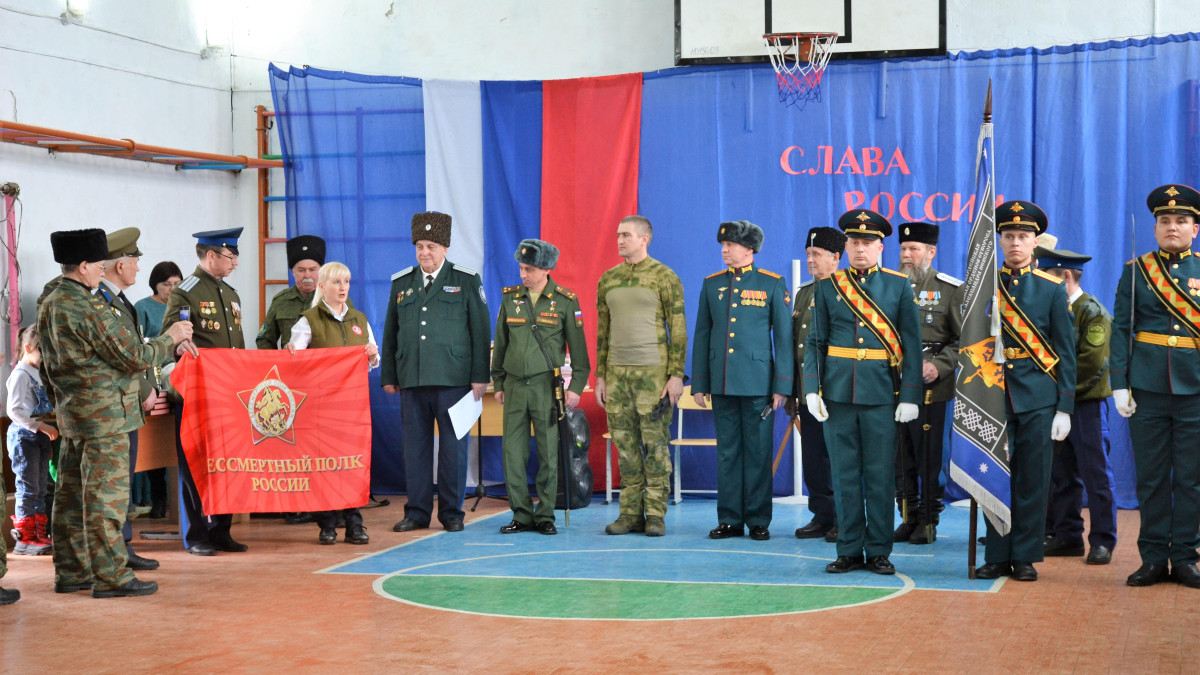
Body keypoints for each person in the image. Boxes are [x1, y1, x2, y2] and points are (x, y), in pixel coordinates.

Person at [38, 228, 193, 598]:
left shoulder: (50, 301)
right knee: (105, 499)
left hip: (73, 414)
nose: (101, 270)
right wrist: (170, 337)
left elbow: (46, 366)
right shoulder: (87, 306)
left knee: (71, 497)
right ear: (84, 266)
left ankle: (72, 571)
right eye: (98, 265)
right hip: (105, 418)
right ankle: (112, 576)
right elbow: (134, 356)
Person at [803, 210, 922, 575]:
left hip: (881, 394)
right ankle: (849, 549)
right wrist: (811, 389)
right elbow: (816, 342)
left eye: (868, 243)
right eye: (854, 242)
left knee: (881, 476)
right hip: (838, 394)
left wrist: (910, 395)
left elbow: (912, 345)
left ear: (880, 247)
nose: (860, 249)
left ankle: (879, 550)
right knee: (843, 475)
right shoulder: (829, 287)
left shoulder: (897, 285)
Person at [973, 200, 1076, 583]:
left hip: (1037, 398)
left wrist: (1064, 406)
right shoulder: (983, 286)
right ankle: (997, 555)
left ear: (1035, 242)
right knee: (993, 477)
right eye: (1009, 236)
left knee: (1032, 481)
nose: (1015, 242)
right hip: (993, 395)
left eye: (1023, 236)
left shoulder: (1051, 288)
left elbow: (1066, 352)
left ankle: (1025, 556)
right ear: (1000, 240)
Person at [1112, 184, 1200, 588]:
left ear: (1195, 229)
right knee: (1151, 478)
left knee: (1190, 479)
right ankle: (1152, 558)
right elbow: (1121, 330)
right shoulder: (1137, 271)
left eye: (1181, 220)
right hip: (1146, 388)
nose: (1172, 227)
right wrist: (1119, 383)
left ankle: (1184, 557)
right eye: (1165, 220)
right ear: (1155, 228)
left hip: (1195, 389)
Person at [381, 212, 490, 533]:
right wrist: (390, 375)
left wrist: (480, 375)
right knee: (414, 450)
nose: (424, 252)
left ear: (445, 248)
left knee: (453, 451)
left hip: (454, 380)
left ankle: (452, 513)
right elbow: (391, 332)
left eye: (431, 246)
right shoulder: (402, 283)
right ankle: (416, 513)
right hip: (412, 379)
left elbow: (480, 330)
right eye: (419, 246)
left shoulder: (466, 280)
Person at [692, 220, 792, 541]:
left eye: (730, 245)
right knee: (728, 454)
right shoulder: (711, 284)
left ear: (749, 250)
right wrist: (700, 383)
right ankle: (730, 519)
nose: (724, 250)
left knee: (759, 454)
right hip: (722, 383)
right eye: (723, 245)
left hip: (758, 384)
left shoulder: (772, 284)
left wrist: (782, 386)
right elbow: (702, 334)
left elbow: (784, 340)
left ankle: (758, 519)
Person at [162, 227, 251, 556]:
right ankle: (196, 533)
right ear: (211, 255)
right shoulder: (186, 292)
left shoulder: (231, 294)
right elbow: (170, 338)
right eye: (230, 256)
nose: (235, 262)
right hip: (198, 394)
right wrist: (179, 345)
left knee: (228, 462)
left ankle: (221, 530)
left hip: (229, 394)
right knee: (194, 463)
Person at [492, 239, 591, 535]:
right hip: (514, 386)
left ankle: (546, 514)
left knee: (549, 453)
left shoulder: (565, 301)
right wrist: (498, 381)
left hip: (546, 388)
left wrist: (576, 387)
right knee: (513, 453)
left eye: (530, 269)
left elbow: (581, 355)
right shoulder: (510, 299)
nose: (523, 274)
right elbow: (501, 344)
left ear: (546, 269)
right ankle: (521, 514)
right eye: (522, 268)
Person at [595, 215, 687, 537]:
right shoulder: (608, 279)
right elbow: (603, 331)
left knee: (655, 446)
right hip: (617, 377)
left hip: (653, 378)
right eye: (618, 235)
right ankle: (630, 513)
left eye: (626, 235)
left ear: (644, 239)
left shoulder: (665, 276)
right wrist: (601, 376)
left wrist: (676, 375)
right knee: (625, 448)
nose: (620, 240)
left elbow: (678, 329)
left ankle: (656, 515)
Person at [285, 262, 380, 545]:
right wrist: (290, 352)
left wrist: (372, 354)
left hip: (353, 407)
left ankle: (354, 523)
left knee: (353, 465)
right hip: (321, 408)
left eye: (346, 282)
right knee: (324, 465)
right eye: (337, 282)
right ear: (322, 286)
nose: (343, 288)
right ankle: (327, 524)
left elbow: (373, 361)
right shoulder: (309, 320)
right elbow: (295, 363)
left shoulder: (359, 319)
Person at [1034, 244, 1117, 565]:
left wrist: (1059, 393)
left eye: (1046, 276)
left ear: (1065, 276)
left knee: (1096, 475)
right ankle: (1067, 535)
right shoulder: (1050, 309)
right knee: (1061, 475)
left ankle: (1103, 540)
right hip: (1056, 405)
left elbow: (1093, 364)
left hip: (1085, 405)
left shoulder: (1092, 312)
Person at [892, 222, 964, 545]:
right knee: (900, 455)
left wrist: (939, 366)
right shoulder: (890, 285)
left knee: (930, 457)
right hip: (894, 383)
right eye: (903, 249)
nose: (907, 255)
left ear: (931, 252)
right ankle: (907, 516)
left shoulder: (950, 289)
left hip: (932, 386)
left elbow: (964, 341)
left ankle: (928, 519)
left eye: (914, 249)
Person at [257, 234, 335, 526]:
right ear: (292, 272)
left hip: (327, 389)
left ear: (321, 270)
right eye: (301, 270)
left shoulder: (335, 297)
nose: (307, 275)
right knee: (296, 448)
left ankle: (334, 505)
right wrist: (275, 372)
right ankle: (300, 504)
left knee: (327, 447)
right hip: (291, 389)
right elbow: (265, 340)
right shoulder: (281, 302)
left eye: (312, 269)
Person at [97, 227, 162, 572]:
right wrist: (144, 387)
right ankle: (117, 549)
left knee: (123, 478)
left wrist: (147, 386)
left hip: (127, 403)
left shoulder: (119, 301)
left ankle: (123, 546)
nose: (138, 266)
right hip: (113, 406)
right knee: (115, 482)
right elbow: (123, 356)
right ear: (120, 265)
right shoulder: (102, 303)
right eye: (135, 260)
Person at [788, 226, 845, 543]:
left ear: (836, 257)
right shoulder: (804, 292)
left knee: (837, 458)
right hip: (807, 391)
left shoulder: (847, 291)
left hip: (836, 392)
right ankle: (821, 515)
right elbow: (796, 345)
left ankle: (842, 517)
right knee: (812, 458)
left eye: (817, 254)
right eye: (808, 254)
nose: (810, 260)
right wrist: (793, 392)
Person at [132, 259, 183, 520]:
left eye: (177, 284)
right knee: (152, 447)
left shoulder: (184, 306)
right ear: (155, 284)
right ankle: (158, 498)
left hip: (181, 369)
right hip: (154, 372)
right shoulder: (142, 307)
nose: (172, 289)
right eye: (166, 284)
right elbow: (137, 345)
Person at [6, 325, 57, 556]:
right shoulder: (20, 374)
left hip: (40, 437)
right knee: (27, 488)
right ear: (27, 348)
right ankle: (24, 539)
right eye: (42, 351)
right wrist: (40, 426)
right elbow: (15, 411)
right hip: (24, 437)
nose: (46, 356)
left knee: (40, 487)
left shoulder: (38, 373)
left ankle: (38, 534)